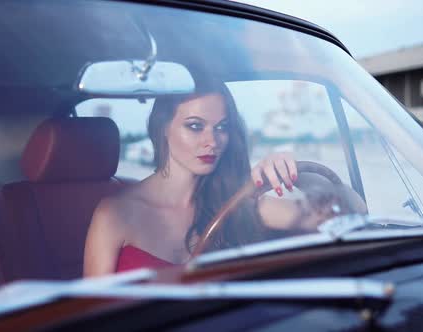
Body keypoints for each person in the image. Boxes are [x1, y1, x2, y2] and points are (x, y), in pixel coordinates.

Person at [83, 82, 356, 277]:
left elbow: (350, 210)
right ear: (162, 127)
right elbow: (90, 319)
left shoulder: (239, 205)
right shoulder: (115, 214)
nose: (212, 141)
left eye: (221, 128)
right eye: (195, 126)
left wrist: (295, 174)